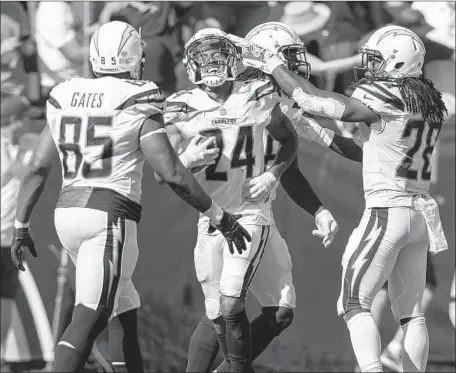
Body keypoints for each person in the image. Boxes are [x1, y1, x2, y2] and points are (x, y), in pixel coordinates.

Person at [9, 21, 250, 373]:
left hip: (66, 213)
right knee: (90, 316)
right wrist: (219, 215)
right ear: (134, 57)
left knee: (124, 310)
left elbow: (35, 169)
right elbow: (170, 172)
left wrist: (21, 225)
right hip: (107, 215)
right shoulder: (137, 96)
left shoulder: (65, 94)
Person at [235, 24, 449, 372]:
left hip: (387, 211)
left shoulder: (388, 95)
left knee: (353, 302)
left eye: (378, 60)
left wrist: (275, 65)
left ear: (398, 63)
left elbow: (312, 98)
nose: (371, 66)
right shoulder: (427, 101)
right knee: (411, 314)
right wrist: (312, 127)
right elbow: (365, 150)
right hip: (418, 215)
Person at [180, 22, 339, 373]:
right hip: (234, 216)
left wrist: (317, 208)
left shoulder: (265, 98)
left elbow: (289, 160)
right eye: (287, 57)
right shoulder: (249, 98)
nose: (297, 65)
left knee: (278, 311)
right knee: (224, 306)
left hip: (255, 214)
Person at [163, 27, 299, 373]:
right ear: (190, 63)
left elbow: (288, 139)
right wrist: (187, 160)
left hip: (250, 212)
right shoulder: (180, 106)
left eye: (217, 55)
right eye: (203, 57)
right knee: (217, 310)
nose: (211, 64)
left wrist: (272, 173)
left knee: (232, 302)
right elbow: (161, 173)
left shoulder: (255, 93)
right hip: (211, 216)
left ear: (232, 59)